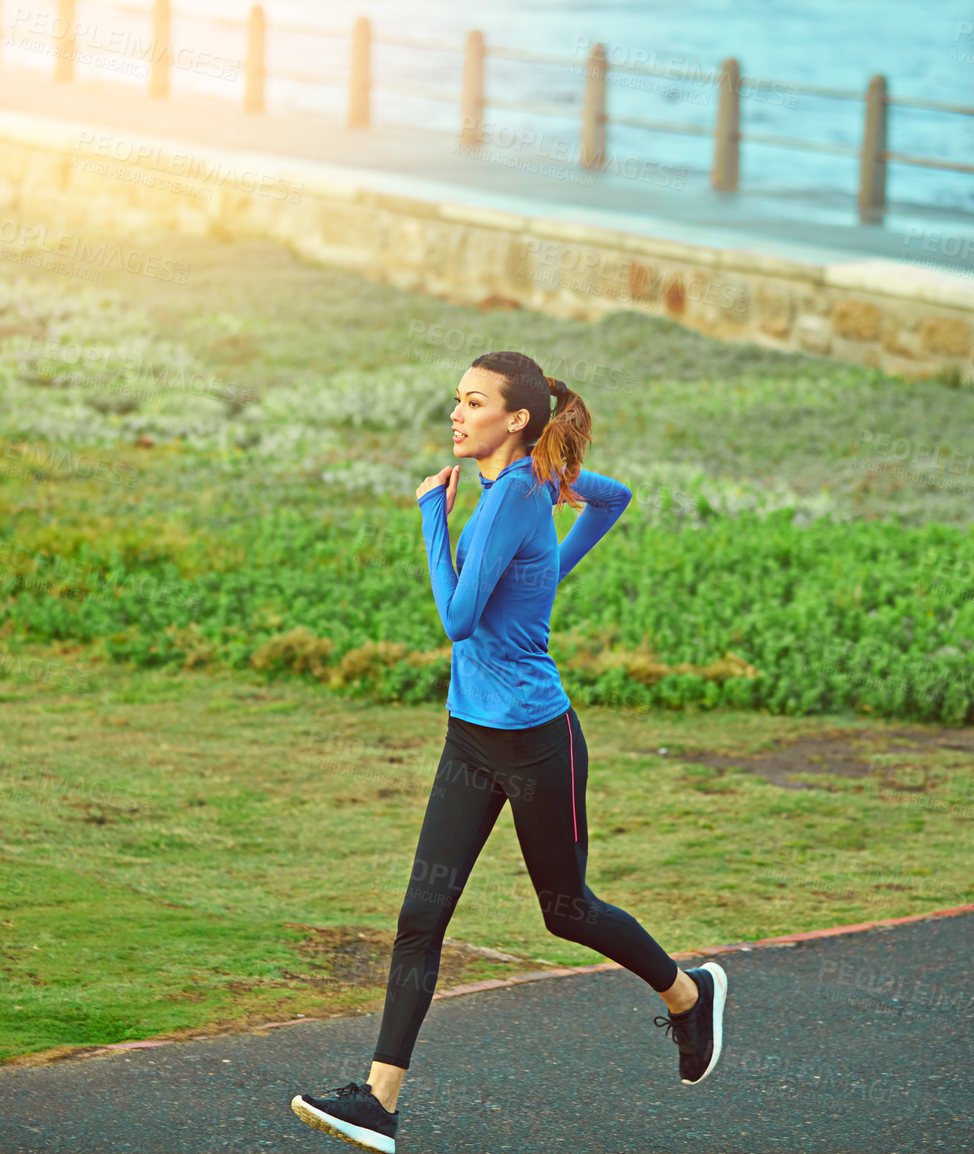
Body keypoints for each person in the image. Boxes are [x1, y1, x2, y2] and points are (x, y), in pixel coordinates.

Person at [291, 351, 727, 1154]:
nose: (456, 415)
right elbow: (616, 499)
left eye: (473, 402)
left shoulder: (506, 500)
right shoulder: (530, 486)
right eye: (456, 399)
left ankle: (688, 993)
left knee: (567, 913)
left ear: (516, 419)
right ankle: (379, 1102)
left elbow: (457, 618)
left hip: (535, 741)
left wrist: (430, 514)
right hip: (469, 734)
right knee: (422, 914)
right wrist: (547, 576)